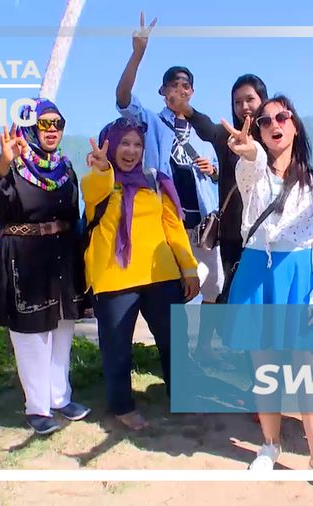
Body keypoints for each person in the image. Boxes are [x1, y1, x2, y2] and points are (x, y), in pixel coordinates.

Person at [221, 96, 313, 496]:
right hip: (259, 272)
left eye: (281, 117)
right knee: (265, 369)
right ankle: (269, 446)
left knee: (310, 374)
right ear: (259, 130)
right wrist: (248, 155)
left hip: (300, 275)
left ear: (294, 124)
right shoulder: (254, 171)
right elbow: (251, 172)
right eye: (264, 121)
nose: (273, 124)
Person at [81, 117, 201, 431]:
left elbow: (173, 227)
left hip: (160, 275)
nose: (131, 150)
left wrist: (188, 269)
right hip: (115, 278)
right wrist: (103, 169)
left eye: (137, 144)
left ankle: (183, 395)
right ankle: (122, 405)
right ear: (110, 145)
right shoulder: (99, 182)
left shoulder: (155, 180)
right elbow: (94, 190)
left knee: (174, 340)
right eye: (124, 143)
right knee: (117, 346)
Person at [0, 98, 90, 436]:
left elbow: (73, 214)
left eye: (58, 123)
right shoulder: (12, 166)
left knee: (62, 329)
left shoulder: (65, 168)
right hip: (24, 257)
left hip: (61, 254)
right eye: (45, 123)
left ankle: (60, 396)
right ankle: (38, 407)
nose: (52, 130)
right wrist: (3, 162)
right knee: (32, 334)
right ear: (30, 127)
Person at [115, 12, 223, 313]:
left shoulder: (204, 129)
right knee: (178, 287)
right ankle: (180, 350)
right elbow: (123, 98)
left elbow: (220, 175)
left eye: (185, 86)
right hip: (168, 222)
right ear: (162, 92)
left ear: (192, 91)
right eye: (172, 86)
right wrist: (137, 54)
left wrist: (213, 171)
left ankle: (205, 348)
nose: (179, 90)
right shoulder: (150, 122)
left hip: (203, 224)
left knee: (213, 284)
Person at [179, 74, 270, 362]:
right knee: (226, 295)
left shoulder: (274, 136)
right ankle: (212, 349)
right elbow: (205, 127)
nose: (244, 106)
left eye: (250, 100)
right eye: (238, 101)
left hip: (265, 236)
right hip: (232, 234)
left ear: (262, 101)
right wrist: (187, 108)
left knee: (258, 301)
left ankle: (253, 358)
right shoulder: (227, 138)